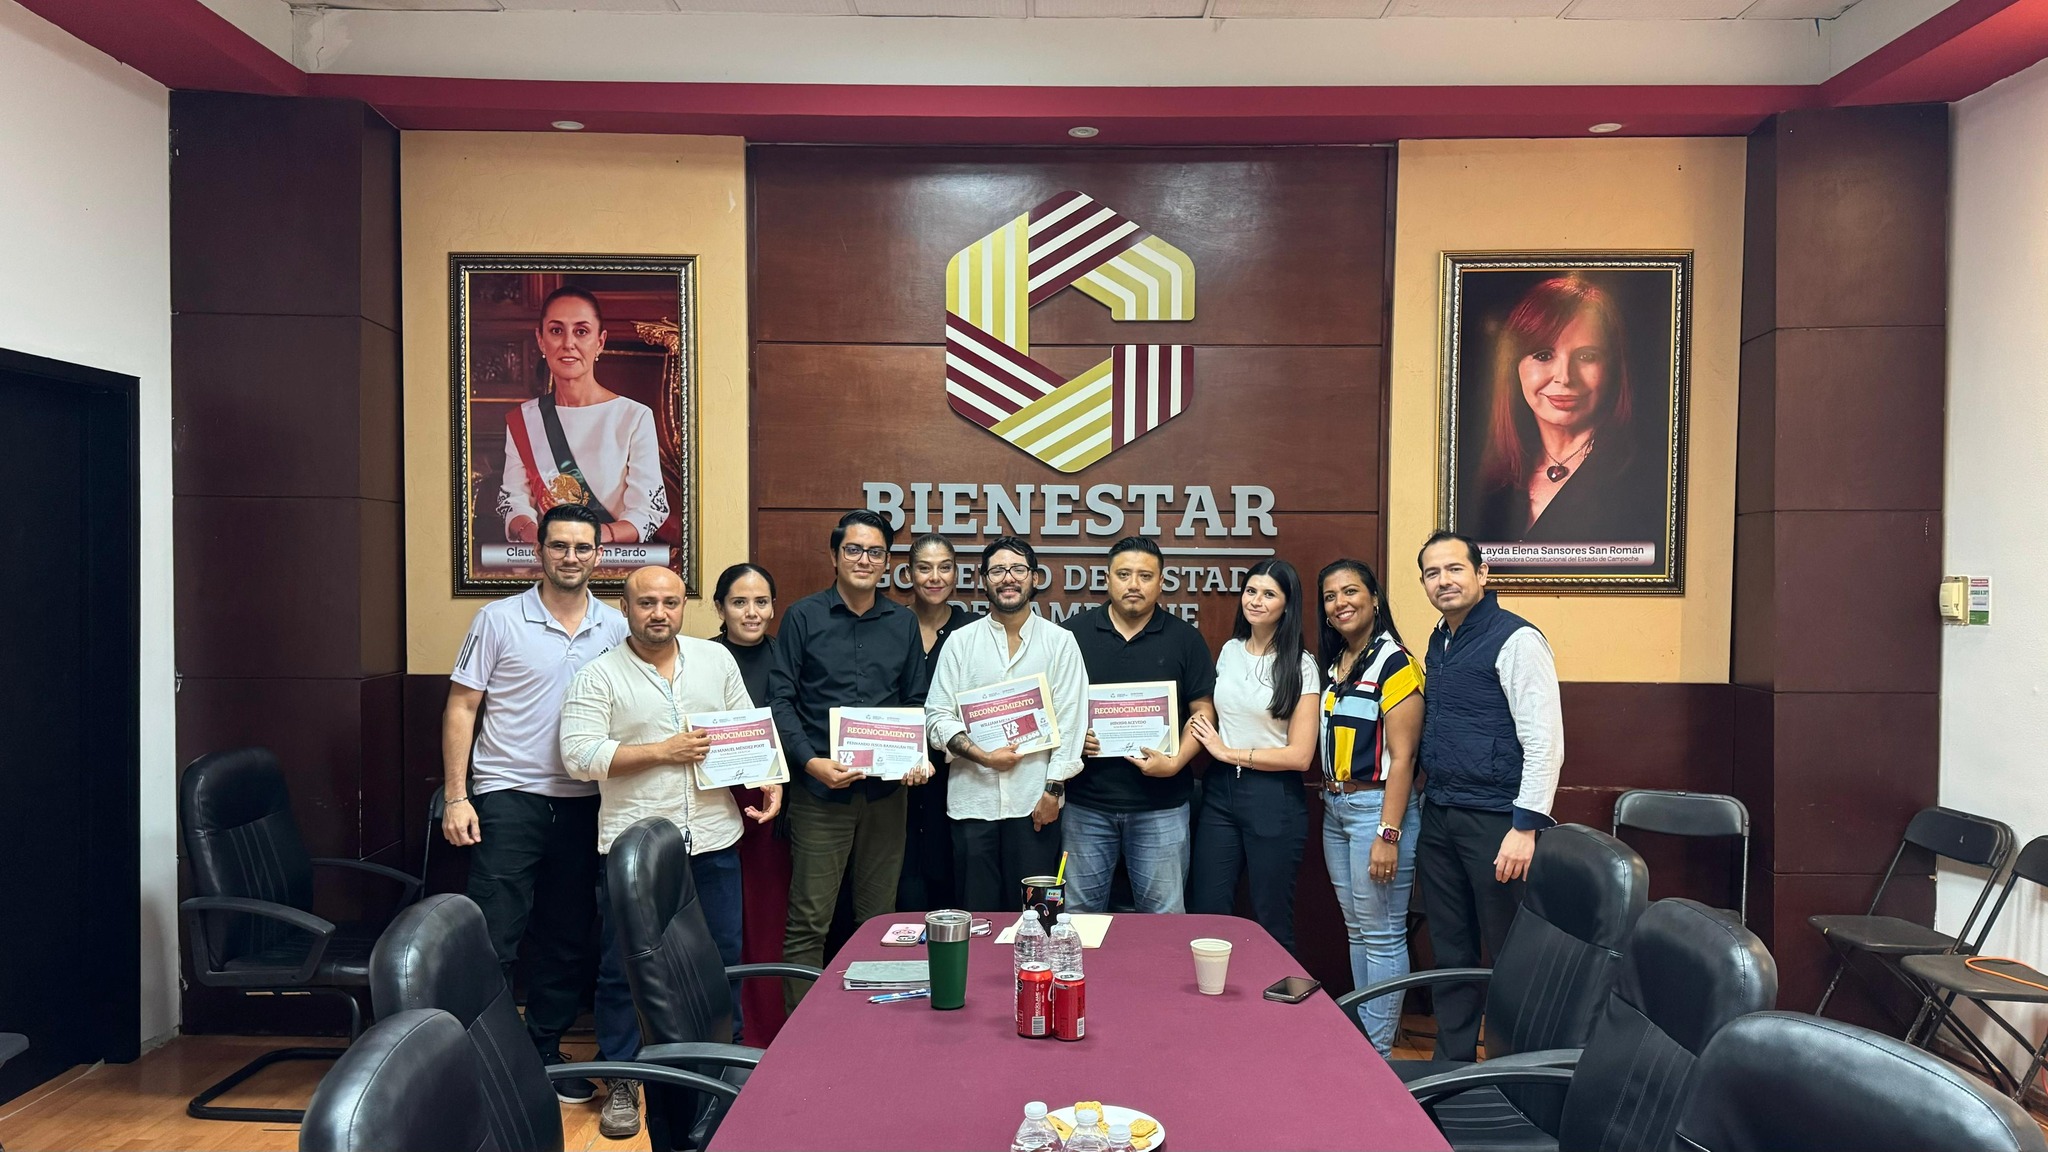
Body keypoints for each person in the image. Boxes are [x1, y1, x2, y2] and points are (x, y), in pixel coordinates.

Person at [559, 566, 782, 1139]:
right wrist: (664, 751)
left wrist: (767, 776)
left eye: (670, 602)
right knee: (622, 970)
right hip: (634, 855)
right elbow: (578, 756)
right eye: (646, 603)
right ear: (625, 607)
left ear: (685, 606)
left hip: (713, 840)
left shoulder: (715, 661)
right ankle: (624, 1079)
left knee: (723, 960)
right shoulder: (598, 675)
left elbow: (743, 728)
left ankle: (724, 1068)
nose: (659, 612)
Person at [439, 503, 626, 1103]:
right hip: (508, 796)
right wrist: (457, 796)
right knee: (495, 934)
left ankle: (543, 1048)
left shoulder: (615, 626)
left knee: (567, 936)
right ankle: (482, 1056)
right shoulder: (497, 619)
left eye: (582, 547)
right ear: (539, 550)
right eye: (559, 546)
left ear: (599, 555)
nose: (570, 557)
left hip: (584, 801)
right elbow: (462, 707)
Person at [769, 510, 934, 1009]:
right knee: (809, 921)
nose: (865, 560)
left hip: (886, 795)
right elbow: (781, 700)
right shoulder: (803, 617)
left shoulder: (902, 622)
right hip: (821, 792)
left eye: (875, 552)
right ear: (835, 556)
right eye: (854, 550)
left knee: (879, 921)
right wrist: (809, 762)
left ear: (887, 562)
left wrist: (916, 757)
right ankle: (800, 1036)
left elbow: (915, 701)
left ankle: (872, 1029)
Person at [1414, 530, 1563, 1064]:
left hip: (1497, 823)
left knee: (1509, 953)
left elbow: (1545, 740)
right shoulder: (1440, 639)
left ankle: (1514, 1071)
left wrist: (1525, 827)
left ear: (1482, 574)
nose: (1444, 581)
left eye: (1455, 569)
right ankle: (1451, 1067)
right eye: (1432, 573)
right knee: (1450, 949)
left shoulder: (1517, 639)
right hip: (1441, 814)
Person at [925, 537, 1088, 913]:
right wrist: (983, 756)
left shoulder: (1060, 643)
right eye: (997, 570)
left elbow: (1071, 721)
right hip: (972, 803)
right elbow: (937, 718)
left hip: (1035, 804)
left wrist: (1052, 791)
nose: (1008, 578)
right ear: (983, 580)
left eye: (1017, 569)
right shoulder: (960, 643)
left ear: (1035, 577)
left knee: (1038, 916)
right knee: (978, 916)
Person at [1061, 536, 1218, 914]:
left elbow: (1203, 711)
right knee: (1078, 917)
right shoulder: (1071, 635)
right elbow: (1053, 709)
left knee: (1164, 918)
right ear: (1107, 579)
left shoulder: (1185, 638)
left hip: (1161, 806)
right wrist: (1073, 740)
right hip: (1086, 805)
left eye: (1145, 576)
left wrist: (1176, 762)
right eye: (1124, 574)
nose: (1134, 584)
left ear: (1161, 582)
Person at [1462, 275, 1663, 552]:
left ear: (1614, 369)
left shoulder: (1649, 481)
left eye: (1587, 356)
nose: (1565, 377)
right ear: (1513, 366)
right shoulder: (1487, 485)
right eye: (1543, 355)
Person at [1315, 558, 1423, 1056]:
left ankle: (1377, 1055)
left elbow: (1403, 759)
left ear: (1375, 598)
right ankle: (1366, 1044)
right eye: (1330, 596)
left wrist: (1388, 833)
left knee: (1381, 934)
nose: (1341, 603)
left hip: (1376, 811)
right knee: (1358, 930)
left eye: (1351, 591)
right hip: (1336, 809)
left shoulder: (1394, 663)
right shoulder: (1337, 663)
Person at [1185, 559, 1321, 953]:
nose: (1256, 601)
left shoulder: (1301, 664)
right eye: (1250, 591)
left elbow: (1300, 756)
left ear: (1287, 604)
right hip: (1219, 794)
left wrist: (1227, 752)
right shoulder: (1230, 651)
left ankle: (1280, 995)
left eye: (1269, 594)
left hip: (1273, 797)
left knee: (1271, 918)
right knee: (1208, 911)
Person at [499, 285, 670, 549]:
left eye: (581, 332)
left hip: (613, 558)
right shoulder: (524, 420)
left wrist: (595, 536)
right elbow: (513, 500)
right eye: (556, 331)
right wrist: (534, 535)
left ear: (600, 342)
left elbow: (648, 511)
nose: (568, 343)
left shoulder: (634, 418)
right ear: (541, 340)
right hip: (548, 557)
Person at [707, 562, 792, 1046]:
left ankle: (765, 1031)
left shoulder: (788, 658)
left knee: (765, 919)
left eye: (761, 602)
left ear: (774, 607)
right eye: (739, 602)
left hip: (772, 804)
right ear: (720, 608)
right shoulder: (698, 658)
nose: (752, 612)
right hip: (712, 802)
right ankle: (720, 1032)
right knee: (715, 923)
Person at [898, 534, 977, 912]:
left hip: (958, 772)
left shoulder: (973, 630)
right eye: (924, 568)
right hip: (898, 773)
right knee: (903, 879)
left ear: (956, 573)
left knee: (951, 873)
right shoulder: (892, 624)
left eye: (944, 567)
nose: (935, 577)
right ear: (908, 573)